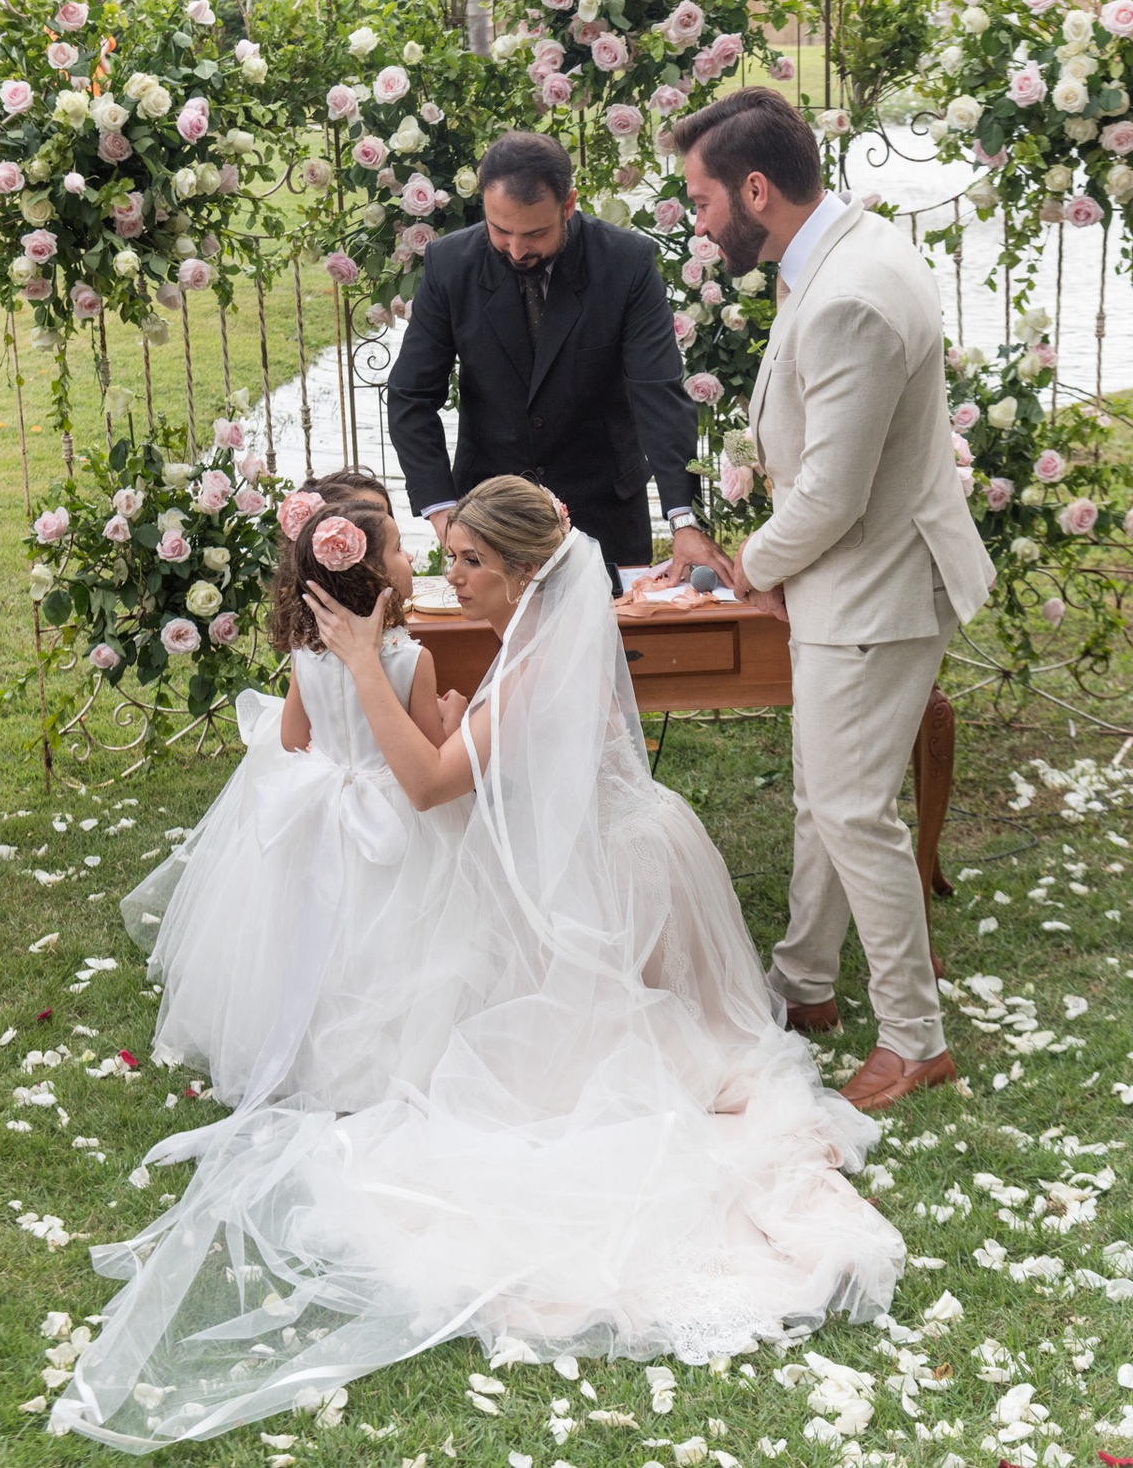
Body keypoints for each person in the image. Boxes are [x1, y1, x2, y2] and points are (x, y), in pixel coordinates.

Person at [55, 477, 901, 1453]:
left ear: (527, 573)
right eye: (445, 556)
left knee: (522, 1087)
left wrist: (368, 664)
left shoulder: (536, 663)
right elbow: (486, 767)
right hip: (613, 851)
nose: (452, 577)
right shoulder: (539, 639)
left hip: (616, 879)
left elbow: (425, 786)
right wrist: (450, 718)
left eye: (469, 562)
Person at [670, 88, 994, 1113]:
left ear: (755, 189)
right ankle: (806, 984)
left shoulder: (850, 289)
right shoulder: (840, 249)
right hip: (857, 582)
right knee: (825, 794)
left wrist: (752, 566)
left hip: (876, 591)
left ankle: (914, 1039)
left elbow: (834, 493)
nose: (699, 220)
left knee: (853, 812)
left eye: (703, 198)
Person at [119, 497, 471, 1111]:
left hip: (322, 806)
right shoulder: (412, 659)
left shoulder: (305, 656)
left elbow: (290, 738)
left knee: (315, 927)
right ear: (374, 578)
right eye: (396, 549)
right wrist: (451, 717)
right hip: (391, 808)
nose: (409, 557)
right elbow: (429, 753)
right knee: (390, 931)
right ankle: (385, 1049)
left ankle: (304, 1046)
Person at [386, 129, 734, 587]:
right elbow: (411, 394)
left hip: (605, 512)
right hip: (488, 517)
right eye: (499, 230)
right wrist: (443, 512)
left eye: (534, 233)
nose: (515, 249)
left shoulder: (625, 262)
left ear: (568, 206)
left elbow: (658, 393)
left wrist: (683, 518)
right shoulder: (451, 264)